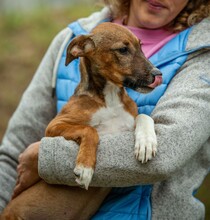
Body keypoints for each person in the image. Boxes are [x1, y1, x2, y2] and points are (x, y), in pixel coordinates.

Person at [0, 0, 210, 219]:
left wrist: (45, 157)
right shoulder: (71, 38)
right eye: (122, 51)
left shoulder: (203, 54)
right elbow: (13, 154)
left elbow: (163, 156)